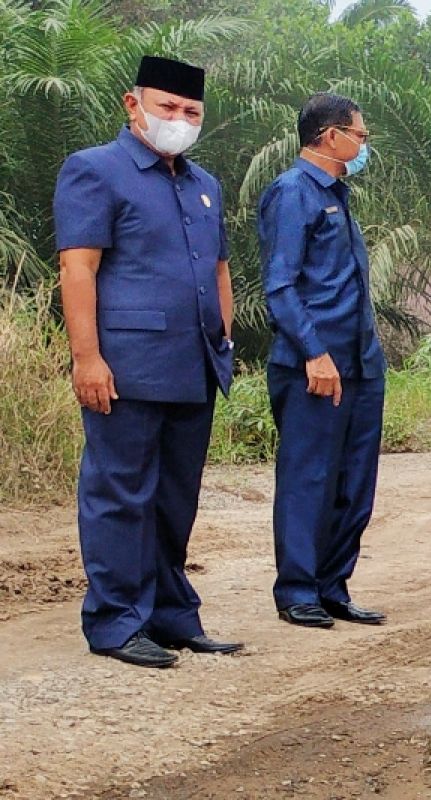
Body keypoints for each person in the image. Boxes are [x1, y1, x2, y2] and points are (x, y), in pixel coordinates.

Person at [54, 56, 243, 668]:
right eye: (167, 107)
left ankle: (170, 615)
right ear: (132, 104)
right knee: (119, 494)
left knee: (174, 497)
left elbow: (219, 271)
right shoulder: (95, 171)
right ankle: (114, 622)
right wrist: (88, 359)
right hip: (127, 365)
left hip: (194, 366)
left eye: (191, 112)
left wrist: (224, 342)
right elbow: (77, 268)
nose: (179, 120)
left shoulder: (204, 184)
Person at [258, 93, 387, 629]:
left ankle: (333, 586)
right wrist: (315, 352)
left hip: (360, 364)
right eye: (359, 135)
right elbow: (281, 286)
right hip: (315, 365)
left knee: (353, 484)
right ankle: (297, 591)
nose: (363, 145)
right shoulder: (293, 194)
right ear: (330, 136)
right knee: (308, 479)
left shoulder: (340, 194)